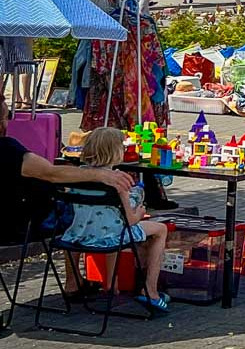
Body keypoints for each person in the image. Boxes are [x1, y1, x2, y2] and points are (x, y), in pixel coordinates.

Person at [0, 101, 135, 300]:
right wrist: (99, 175)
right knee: (77, 215)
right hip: (22, 224)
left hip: (15, 221)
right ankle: (81, 281)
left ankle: (75, 281)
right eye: (5, 117)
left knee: (73, 213)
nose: (7, 123)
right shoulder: (7, 149)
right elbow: (51, 173)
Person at [60, 128, 171, 312]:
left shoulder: (77, 176)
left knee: (108, 223)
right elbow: (130, 220)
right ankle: (150, 290)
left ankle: (97, 283)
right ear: (115, 152)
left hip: (77, 235)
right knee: (160, 230)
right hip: (110, 236)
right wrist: (141, 212)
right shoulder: (116, 182)